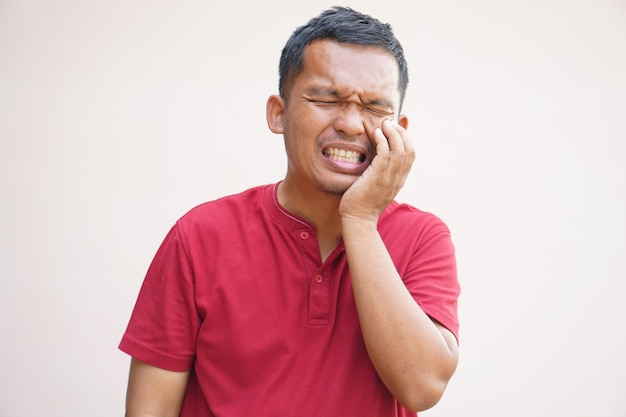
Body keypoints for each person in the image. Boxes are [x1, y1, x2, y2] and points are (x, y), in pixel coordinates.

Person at [120, 6, 460, 417]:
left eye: (374, 107)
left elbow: (422, 387)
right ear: (278, 113)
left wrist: (361, 220)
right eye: (326, 98)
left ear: (399, 127)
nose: (352, 124)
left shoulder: (423, 237)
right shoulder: (199, 238)